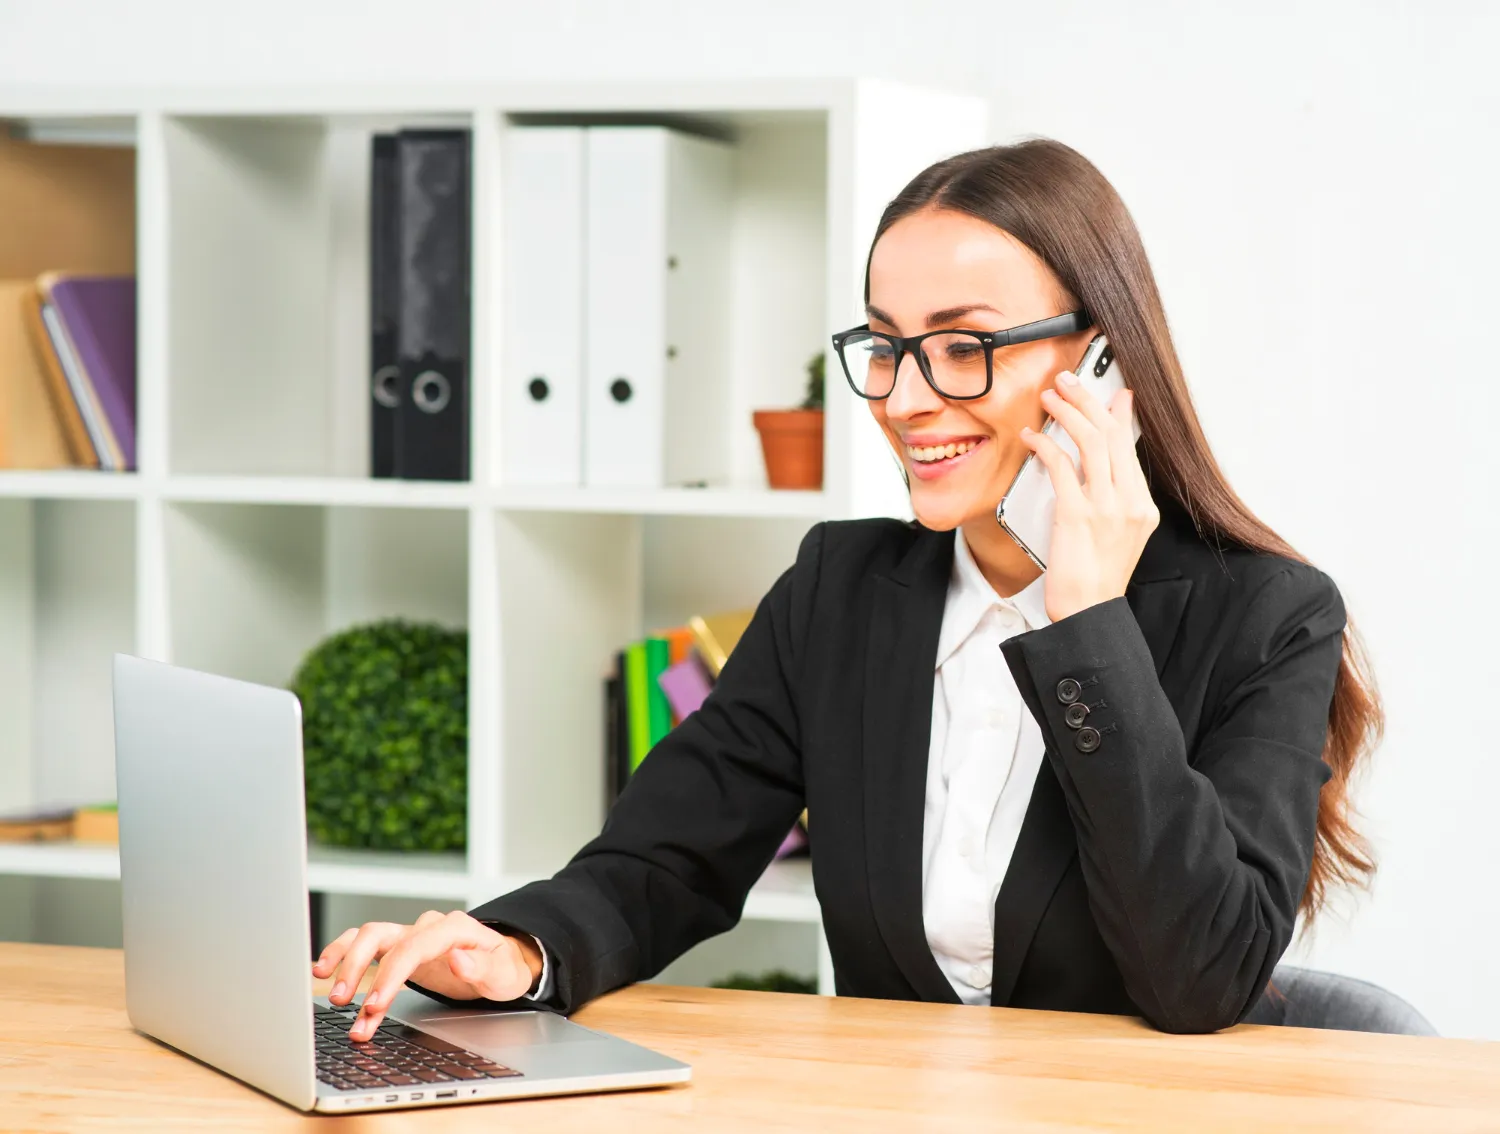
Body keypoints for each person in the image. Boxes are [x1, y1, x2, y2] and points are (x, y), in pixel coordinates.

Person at [314, 138, 1382, 1037]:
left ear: (1099, 365)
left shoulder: (1269, 615)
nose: (908, 398)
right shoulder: (845, 587)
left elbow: (1198, 978)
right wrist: (516, 952)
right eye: (887, 344)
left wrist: (1089, 621)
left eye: (963, 347)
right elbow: (669, 857)